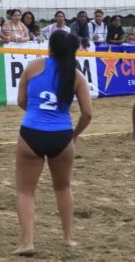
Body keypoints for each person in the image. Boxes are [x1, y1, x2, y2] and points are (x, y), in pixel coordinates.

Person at [13, 31, 92, 256]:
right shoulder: (76, 75)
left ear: (50, 47)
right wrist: (75, 135)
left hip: (31, 133)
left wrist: (35, 115)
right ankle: (67, 238)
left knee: (25, 192)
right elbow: (88, 114)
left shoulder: (33, 67)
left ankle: (28, 242)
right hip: (62, 136)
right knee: (63, 187)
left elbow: (21, 101)